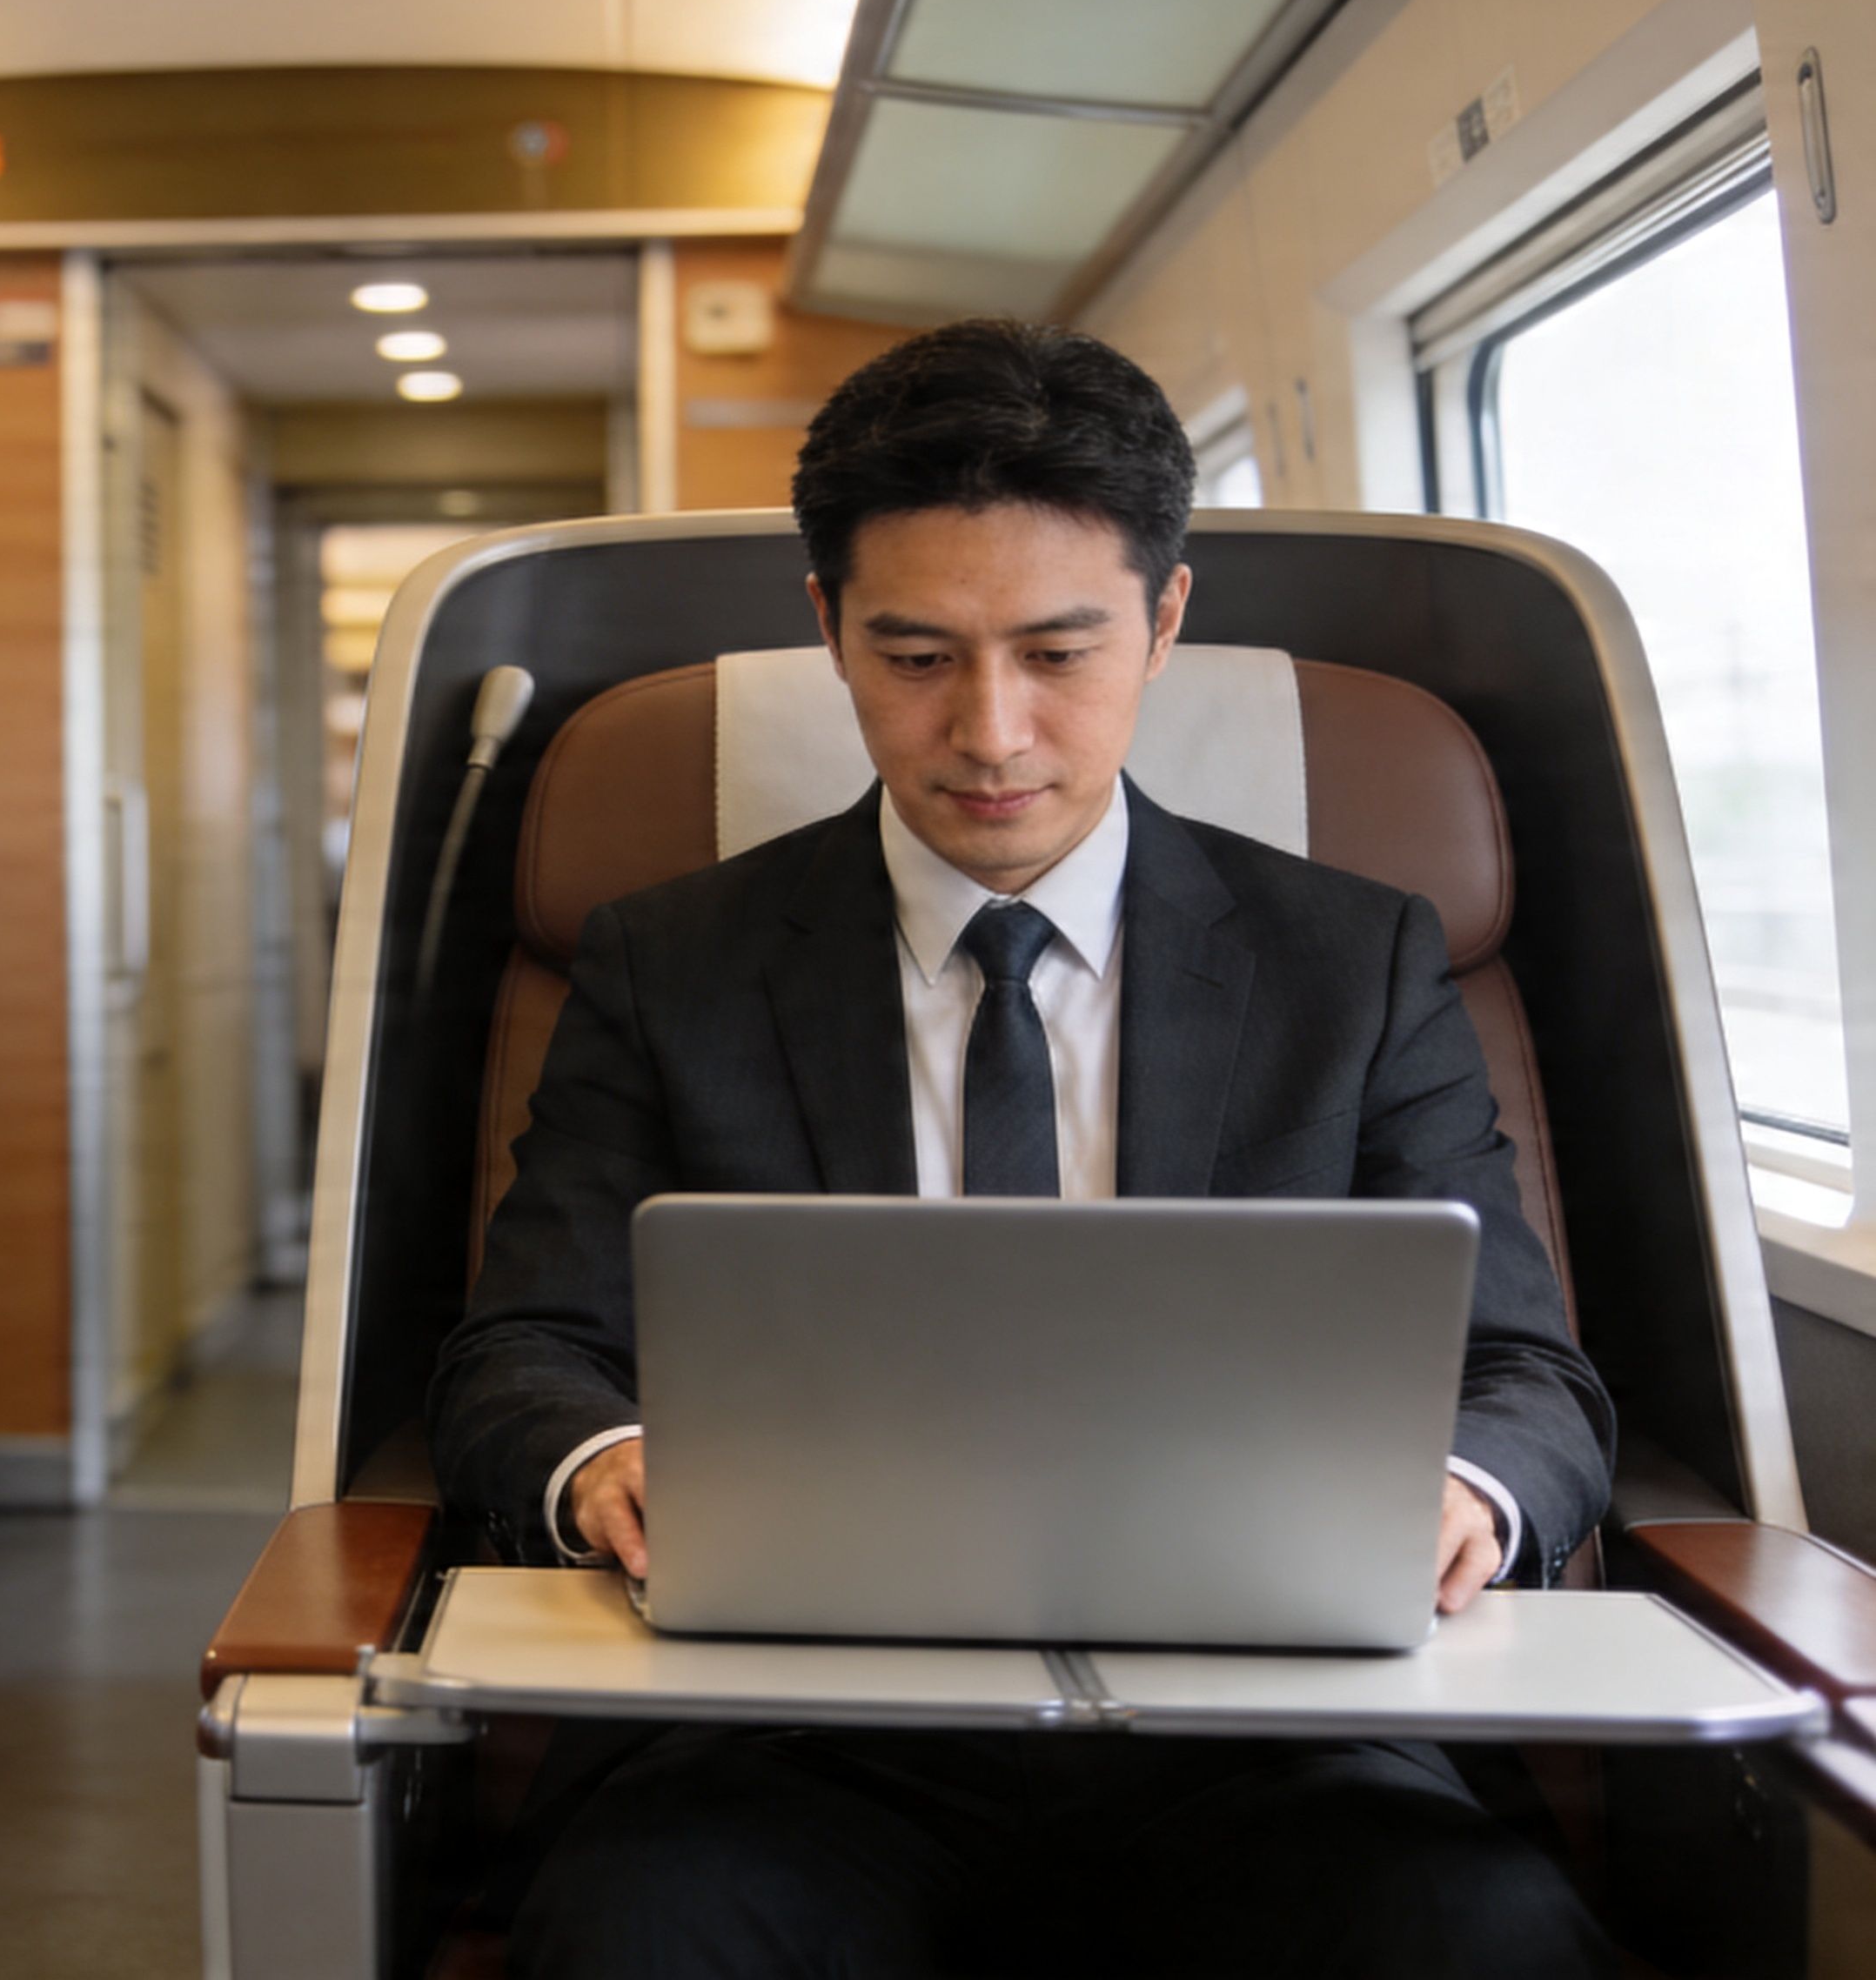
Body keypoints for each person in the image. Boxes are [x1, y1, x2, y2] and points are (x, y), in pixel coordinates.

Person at [430, 319, 1618, 1977]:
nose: (990, 736)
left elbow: (1528, 1380)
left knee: (1478, 1933)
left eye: (1059, 655)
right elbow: (524, 1355)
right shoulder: (672, 961)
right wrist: (610, 1467)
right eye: (917, 657)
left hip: (1273, 1737)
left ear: (1167, 620)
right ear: (829, 629)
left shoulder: (1353, 964)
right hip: (785, 1738)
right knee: (647, 1932)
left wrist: (1459, 1499)